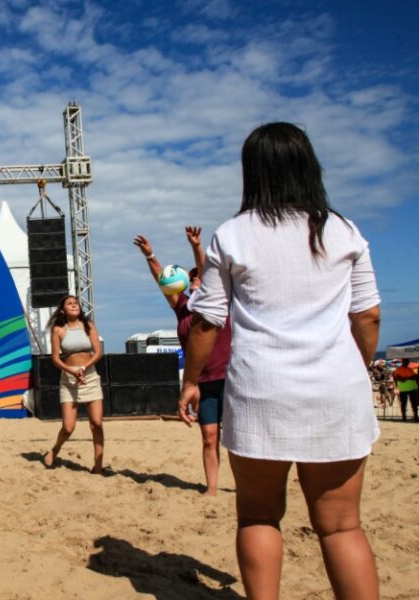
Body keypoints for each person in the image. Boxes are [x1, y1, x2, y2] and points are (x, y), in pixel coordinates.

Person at [180, 122, 381, 599]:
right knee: (341, 527)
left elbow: (207, 323)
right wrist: (360, 366)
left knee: (258, 515)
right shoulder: (343, 229)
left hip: (260, 389)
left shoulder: (233, 234)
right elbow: (368, 315)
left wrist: (191, 379)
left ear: (252, 172)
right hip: (337, 389)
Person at [134, 228, 232, 495]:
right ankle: (211, 489)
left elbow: (204, 269)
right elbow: (161, 280)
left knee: (236, 440)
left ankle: (246, 487)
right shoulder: (182, 308)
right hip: (202, 381)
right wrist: (150, 255)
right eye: (192, 278)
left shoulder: (216, 302)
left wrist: (196, 247)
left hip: (231, 377)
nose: (196, 279)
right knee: (209, 437)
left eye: (199, 277)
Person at [43, 295, 105, 473]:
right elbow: (55, 358)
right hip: (69, 380)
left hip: (90, 377)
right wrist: (72, 371)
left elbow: (98, 352)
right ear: (63, 310)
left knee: (97, 423)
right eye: (69, 303)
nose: (74, 305)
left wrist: (84, 367)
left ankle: (98, 466)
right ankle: (54, 450)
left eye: (76, 303)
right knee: (68, 427)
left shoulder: (89, 325)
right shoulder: (58, 330)